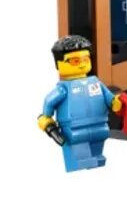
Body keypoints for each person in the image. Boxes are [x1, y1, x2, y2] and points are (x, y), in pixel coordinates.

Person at [38, 35, 122, 172]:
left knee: (97, 155)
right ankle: (80, 165)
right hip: (74, 129)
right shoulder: (63, 89)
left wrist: (116, 102)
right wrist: (47, 120)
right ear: (59, 64)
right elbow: (49, 102)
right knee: (79, 158)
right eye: (75, 61)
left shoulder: (96, 83)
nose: (82, 64)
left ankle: (96, 160)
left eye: (86, 59)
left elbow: (110, 99)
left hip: (99, 126)